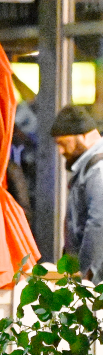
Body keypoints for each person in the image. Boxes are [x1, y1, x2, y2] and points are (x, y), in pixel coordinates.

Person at [53, 104, 103, 280]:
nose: (60, 151)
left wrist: (86, 274)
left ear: (82, 136)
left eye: (63, 143)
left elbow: (98, 223)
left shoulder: (98, 169)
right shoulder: (90, 168)